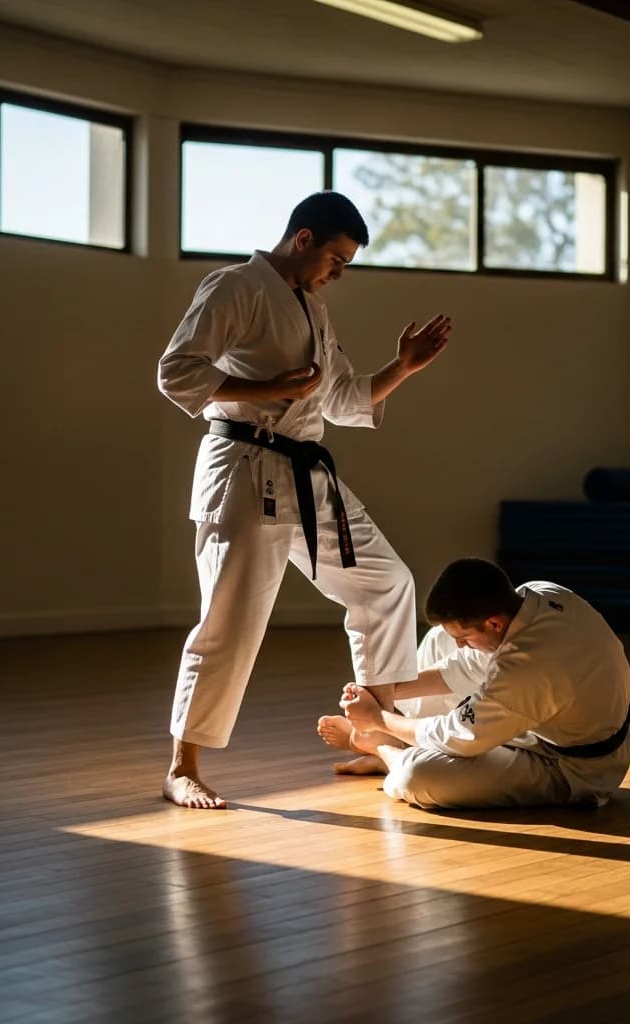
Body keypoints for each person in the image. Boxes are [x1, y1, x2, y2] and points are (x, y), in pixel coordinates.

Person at [158, 191, 452, 809]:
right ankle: (182, 766)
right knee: (230, 620)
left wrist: (404, 367)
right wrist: (264, 385)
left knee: (386, 582)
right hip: (244, 467)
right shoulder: (235, 287)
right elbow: (177, 371)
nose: (338, 274)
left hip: (305, 471)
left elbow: (341, 400)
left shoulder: (313, 309)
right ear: (304, 239)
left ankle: (377, 734)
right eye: (336, 260)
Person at [318, 558, 630, 809]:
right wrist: (385, 689)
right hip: (552, 716)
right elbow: (468, 666)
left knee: (417, 777)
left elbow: (457, 736)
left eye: (465, 637)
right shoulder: (538, 593)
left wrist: (378, 718)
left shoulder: (528, 669)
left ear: (494, 622)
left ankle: (385, 749)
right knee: (440, 639)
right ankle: (399, 737)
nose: (460, 645)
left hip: (572, 767)